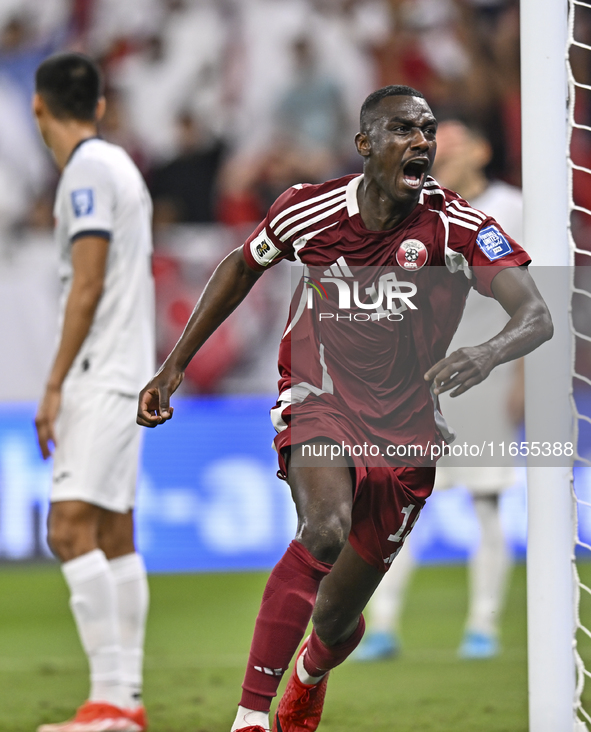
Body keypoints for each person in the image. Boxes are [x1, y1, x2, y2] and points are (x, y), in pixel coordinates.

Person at [137, 85, 552, 732]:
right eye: (401, 129)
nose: (420, 141)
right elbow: (241, 266)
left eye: (427, 130)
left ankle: (309, 672)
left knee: (335, 617)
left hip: (409, 429)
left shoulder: (457, 226)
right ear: (364, 145)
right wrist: (173, 366)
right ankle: (249, 717)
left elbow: (534, 313)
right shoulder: (309, 210)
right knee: (323, 528)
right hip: (319, 396)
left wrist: (488, 353)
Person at [354, 117, 525, 662]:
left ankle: (483, 626)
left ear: (481, 149)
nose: (438, 152)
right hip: (419, 381)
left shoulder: (514, 208)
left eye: (450, 143)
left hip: (486, 379)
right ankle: (381, 626)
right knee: (397, 502)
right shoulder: (420, 212)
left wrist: (523, 376)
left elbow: (538, 298)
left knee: (487, 501)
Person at [33, 53, 154, 732]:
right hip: (126, 371)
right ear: (101, 106)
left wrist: (51, 383)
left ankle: (110, 697)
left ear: (37, 106)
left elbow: (88, 281)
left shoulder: (84, 173)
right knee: (113, 533)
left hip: (98, 373)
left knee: (68, 527)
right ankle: (123, 702)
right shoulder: (121, 167)